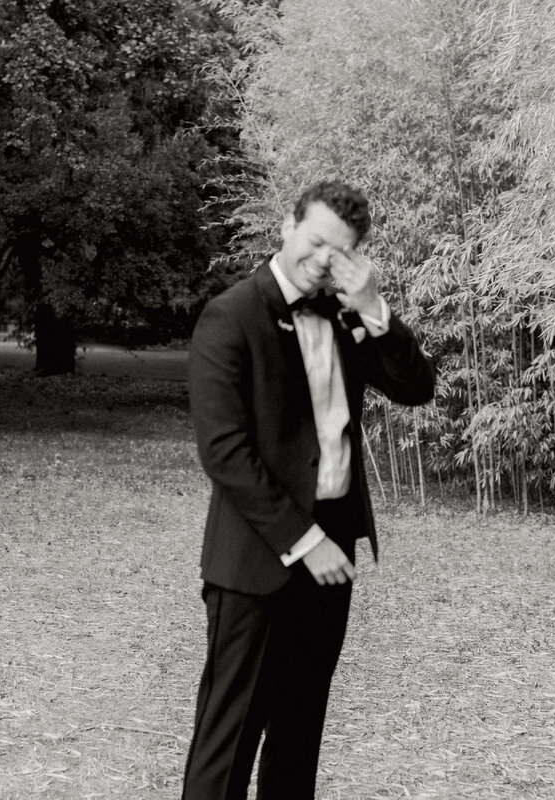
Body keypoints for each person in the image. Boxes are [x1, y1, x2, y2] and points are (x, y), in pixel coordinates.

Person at [182, 180, 435, 799]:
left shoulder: (350, 315)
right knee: (229, 741)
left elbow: (417, 386)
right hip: (258, 559)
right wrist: (304, 539)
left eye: (341, 251)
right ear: (289, 227)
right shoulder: (232, 315)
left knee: (299, 737)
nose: (324, 260)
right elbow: (224, 451)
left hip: (334, 556)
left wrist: (376, 311)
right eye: (316, 241)